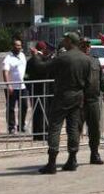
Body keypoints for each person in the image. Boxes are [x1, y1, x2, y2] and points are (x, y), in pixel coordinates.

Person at [26, 31, 92, 174]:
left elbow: (42, 68)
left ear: (70, 41)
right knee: (73, 128)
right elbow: (88, 82)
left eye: (65, 39)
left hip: (62, 96)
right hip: (78, 96)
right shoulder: (86, 59)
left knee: (55, 128)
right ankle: (72, 159)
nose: (63, 42)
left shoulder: (63, 57)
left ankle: (52, 163)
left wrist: (36, 56)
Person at [78, 39, 104, 165]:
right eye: (84, 45)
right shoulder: (76, 61)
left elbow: (101, 79)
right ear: (79, 46)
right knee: (76, 129)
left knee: (95, 129)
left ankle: (95, 154)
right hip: (80, 101)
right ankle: (73, 156)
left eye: (88, 45)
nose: (86, 47)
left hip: (93, 100)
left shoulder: (95, 60)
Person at [25, 41, 52, 140]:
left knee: (36, 111)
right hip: (43, 89)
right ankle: (43, 133)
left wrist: (29, 87)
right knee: (44, 111)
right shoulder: (43, 60)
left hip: (33, 90)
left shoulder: (30, 61)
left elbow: (25, 77)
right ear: (44, 49)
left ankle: (36, 134)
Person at [1, 38, 28, 133]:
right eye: (17, 45)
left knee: (24, 106)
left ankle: (21, 125)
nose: (19, 47)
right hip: (12, 87)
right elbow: (5, 72)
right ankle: (11, 127)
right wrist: (8, 85)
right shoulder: (8, 58)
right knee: (11, 108)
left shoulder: (23, 55)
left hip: (22, 87)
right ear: (13, 46)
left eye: (20, 45)